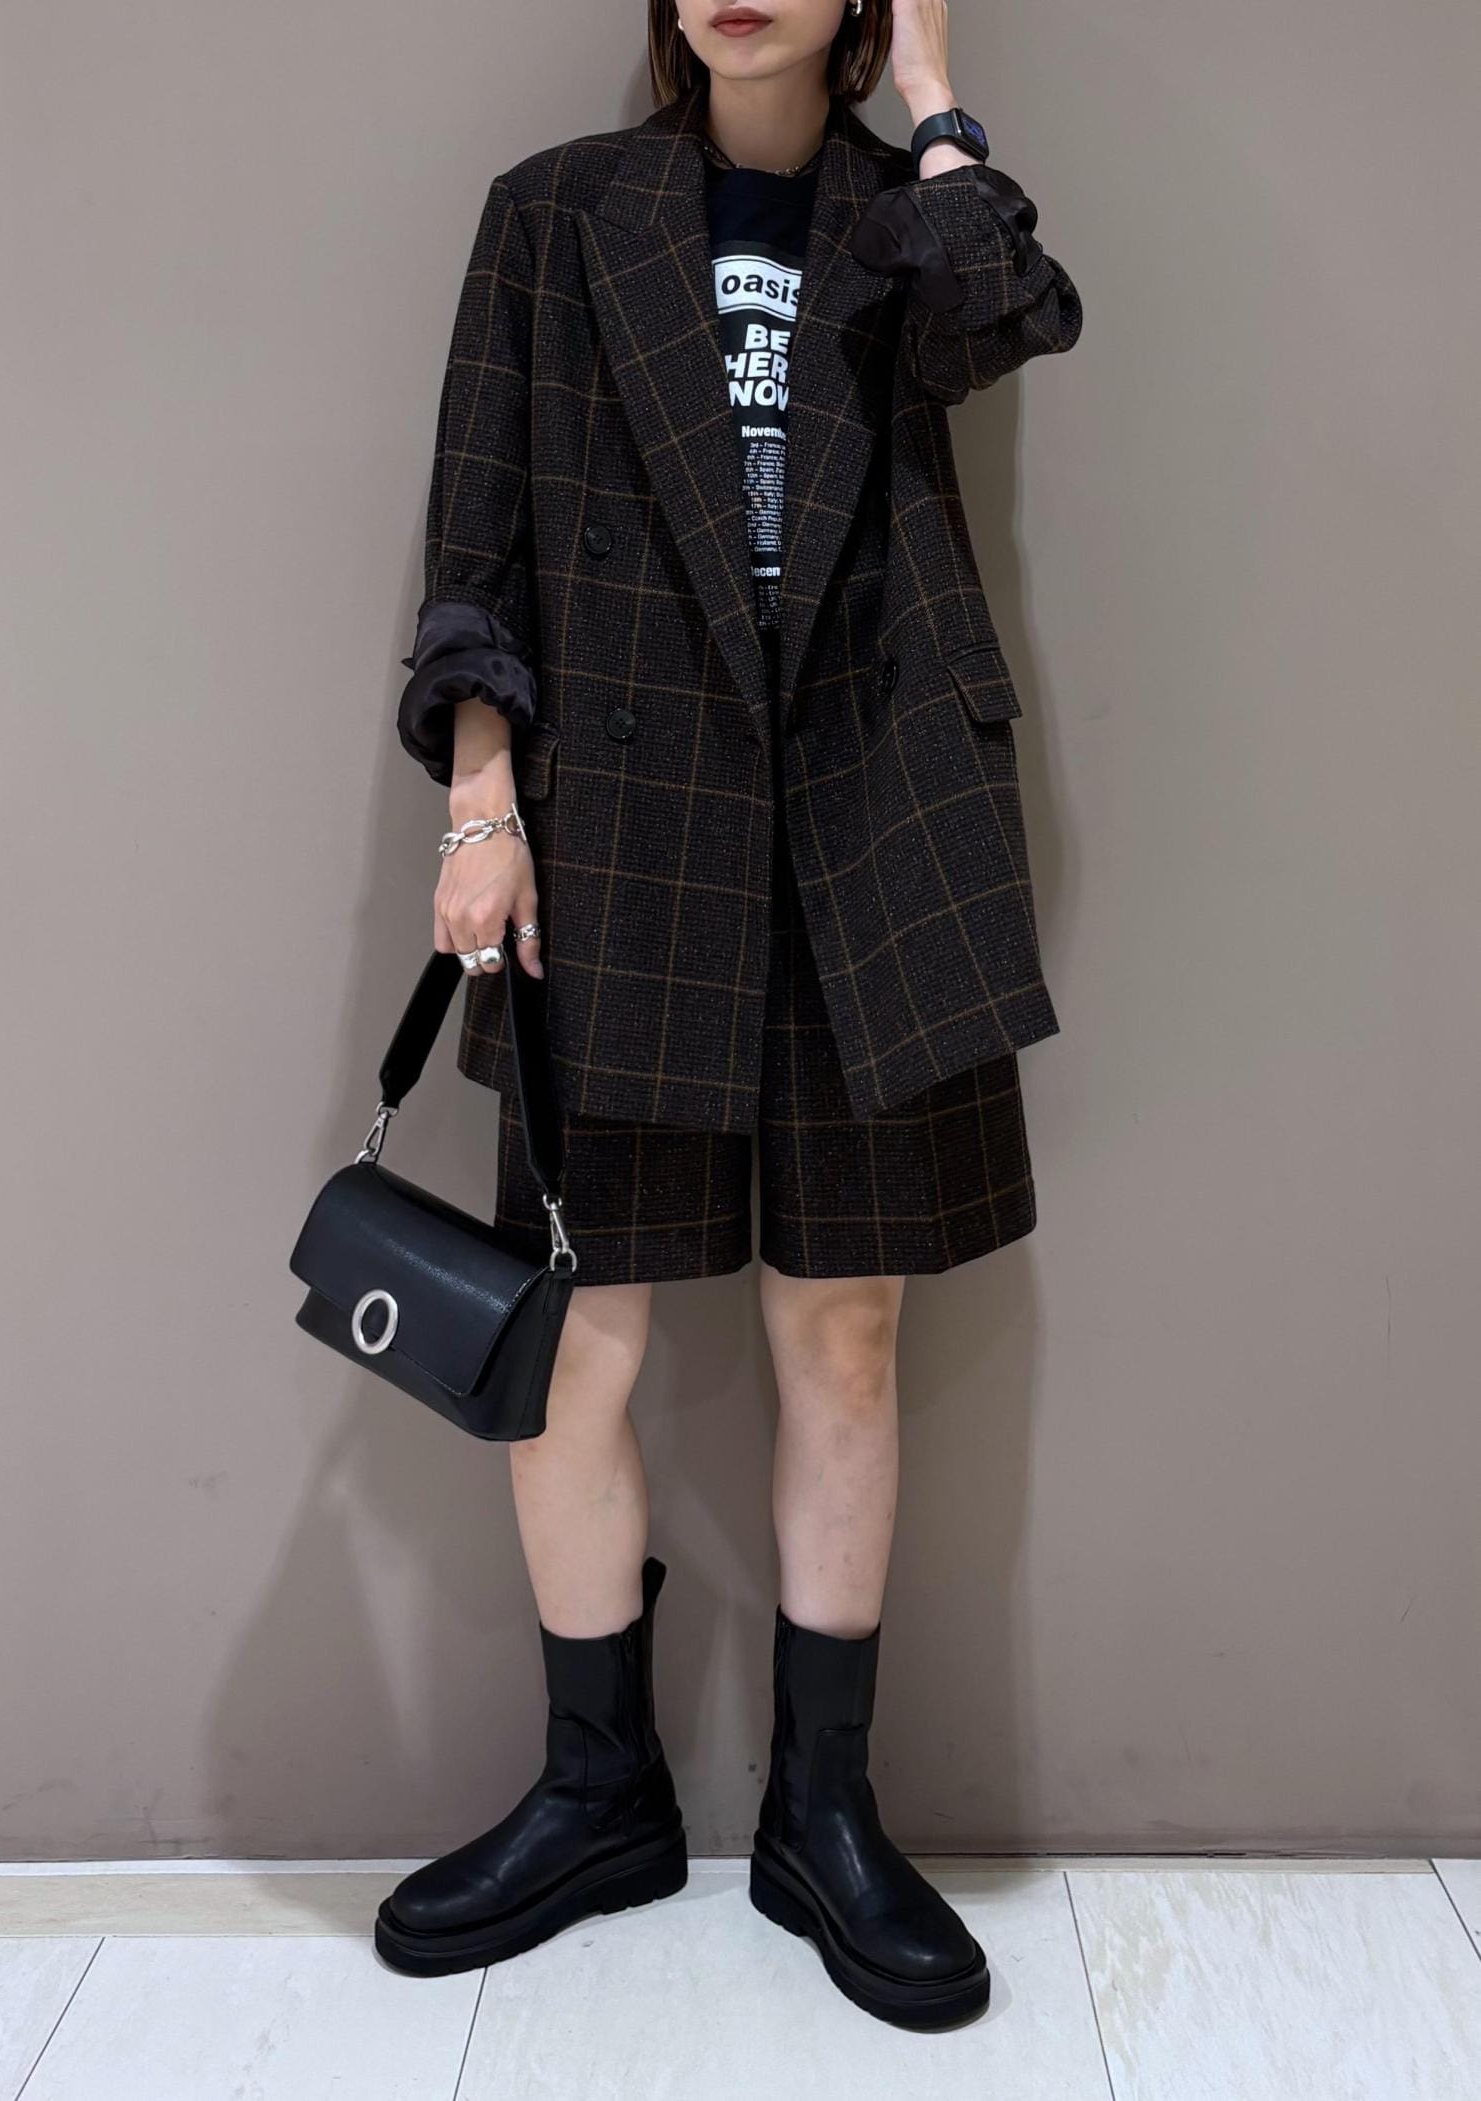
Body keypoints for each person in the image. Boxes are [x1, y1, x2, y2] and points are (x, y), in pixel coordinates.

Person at [373, 0, 1081, 2031]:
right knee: (577, 1339)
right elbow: (479, 532)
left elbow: (1011, 311)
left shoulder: (904, 219)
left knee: (843, 1327)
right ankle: (597, 1791)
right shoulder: (556, 217)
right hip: (623, 836)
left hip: (869, 823)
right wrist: (482, 805)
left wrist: (933, 98)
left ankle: (822, 1816)